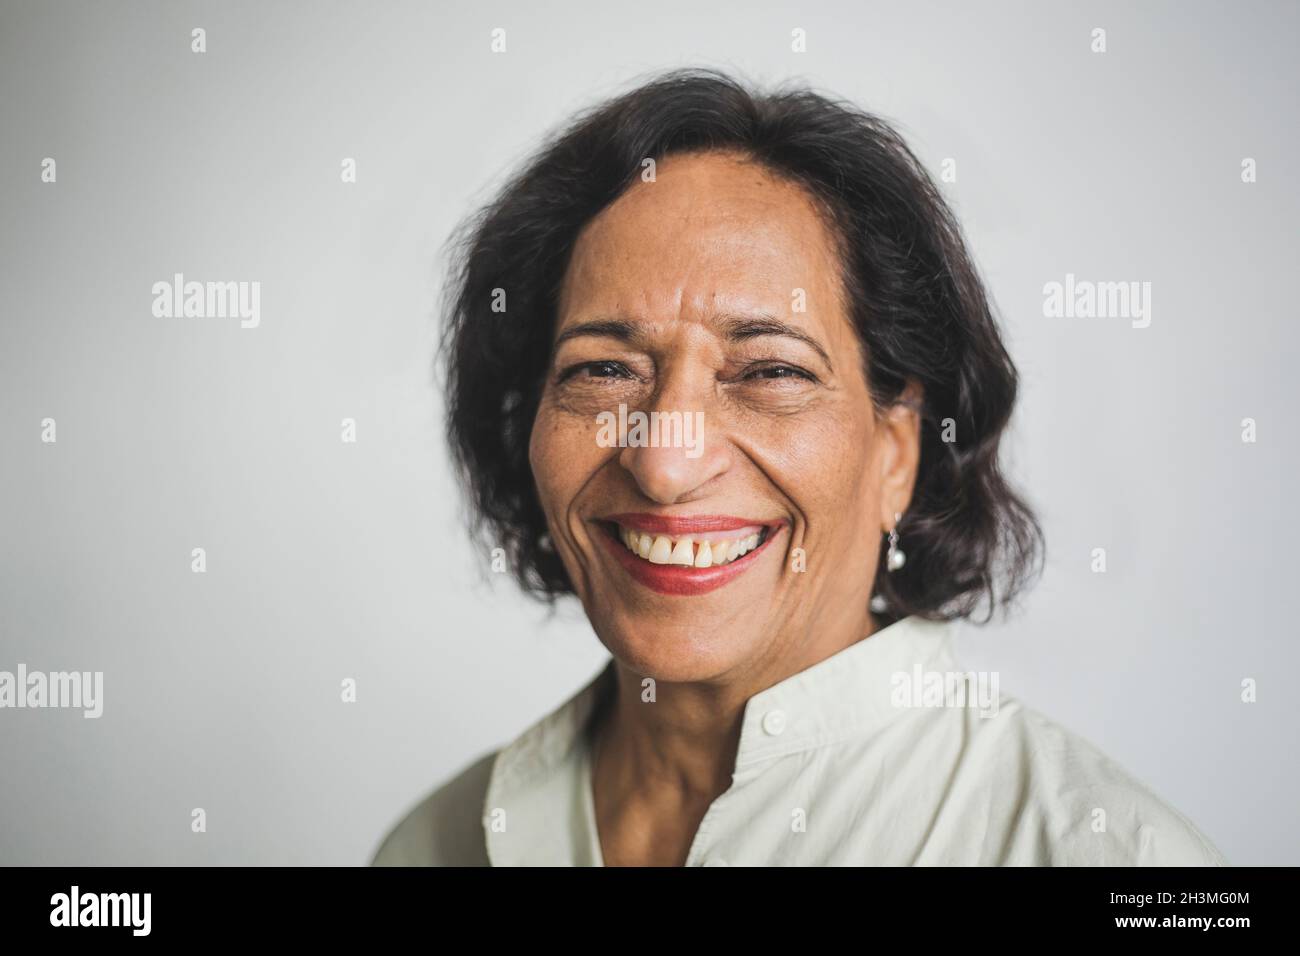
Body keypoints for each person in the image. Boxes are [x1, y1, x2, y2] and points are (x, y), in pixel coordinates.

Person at [372, 69, 1225, 866]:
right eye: (603, 370)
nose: (666, 464)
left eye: (771, 372)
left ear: (900, 448)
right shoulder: (437, 842)